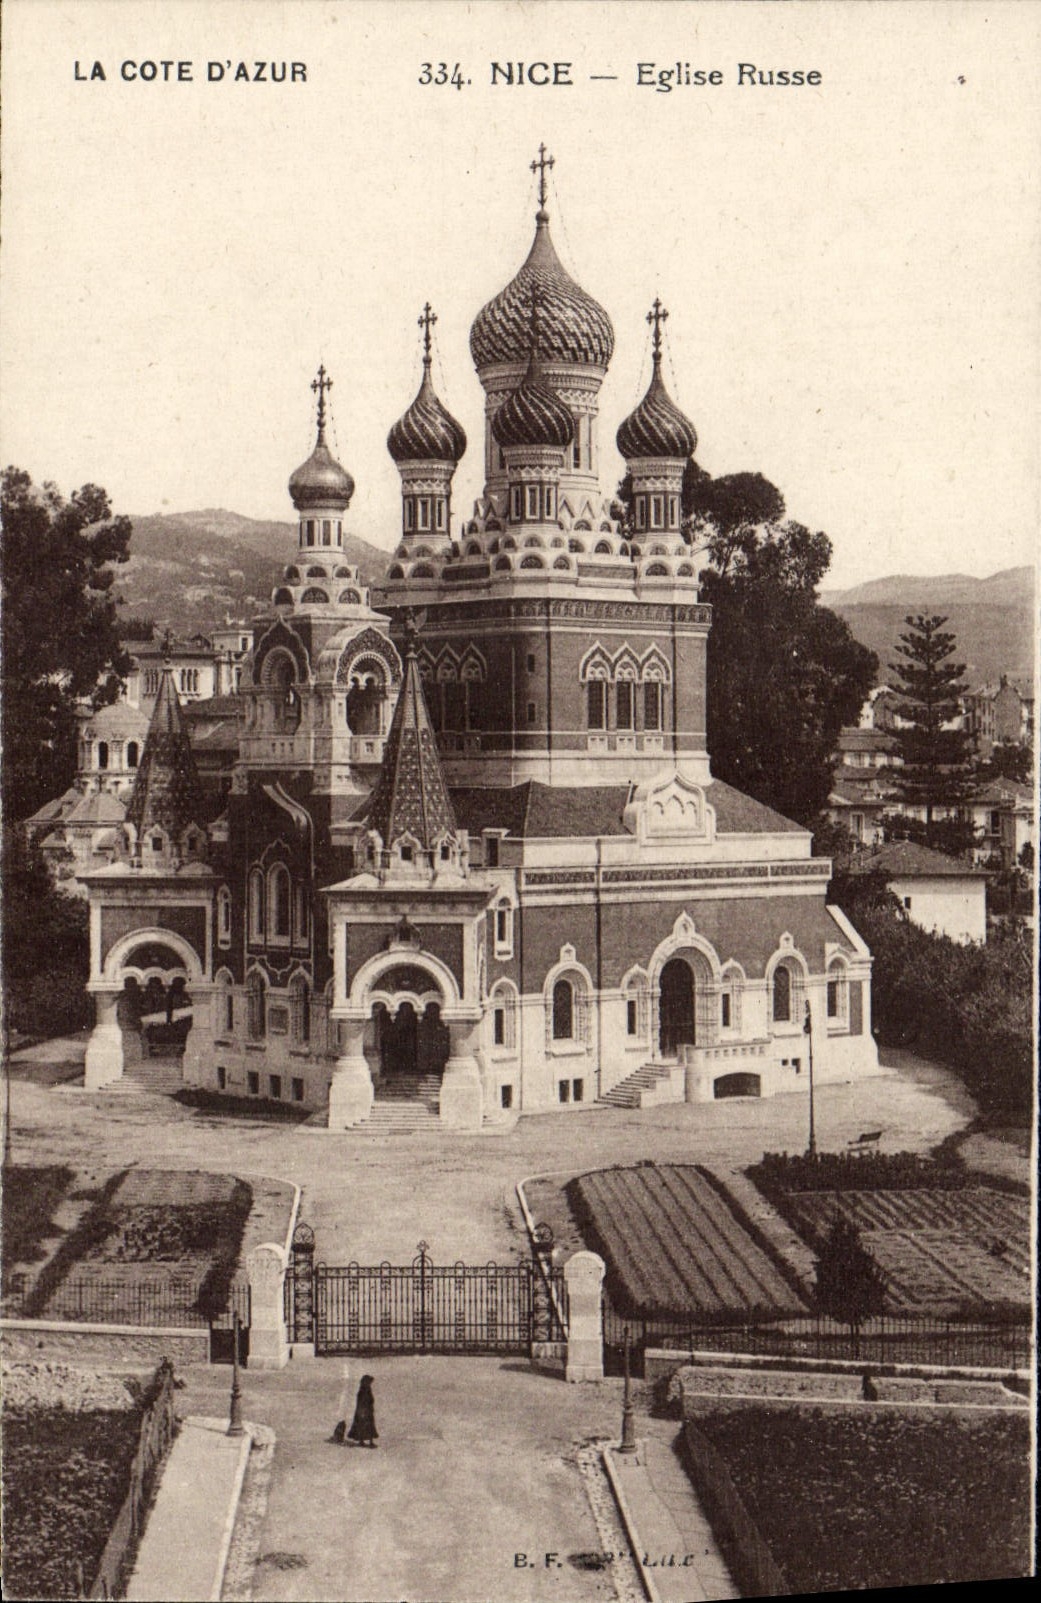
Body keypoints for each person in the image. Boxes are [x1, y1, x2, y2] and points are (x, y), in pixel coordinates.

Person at [347, 1374, 378, 1447]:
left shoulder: (366, 1389)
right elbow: (362, 1402)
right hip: (364, 1412)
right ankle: (365, 1441)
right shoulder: (363, 1391)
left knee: (367, 1426)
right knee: (365, 1426)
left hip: (367, 1411)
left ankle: (366, 1441)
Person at [331, 1362, 351, 1444]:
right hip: (342, 1403)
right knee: (342, 1418)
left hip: (342, 1402)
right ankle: (339, 1436)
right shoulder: (343, 1389)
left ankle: (338, 1435)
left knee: (342, 1417)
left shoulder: (343, 1389)